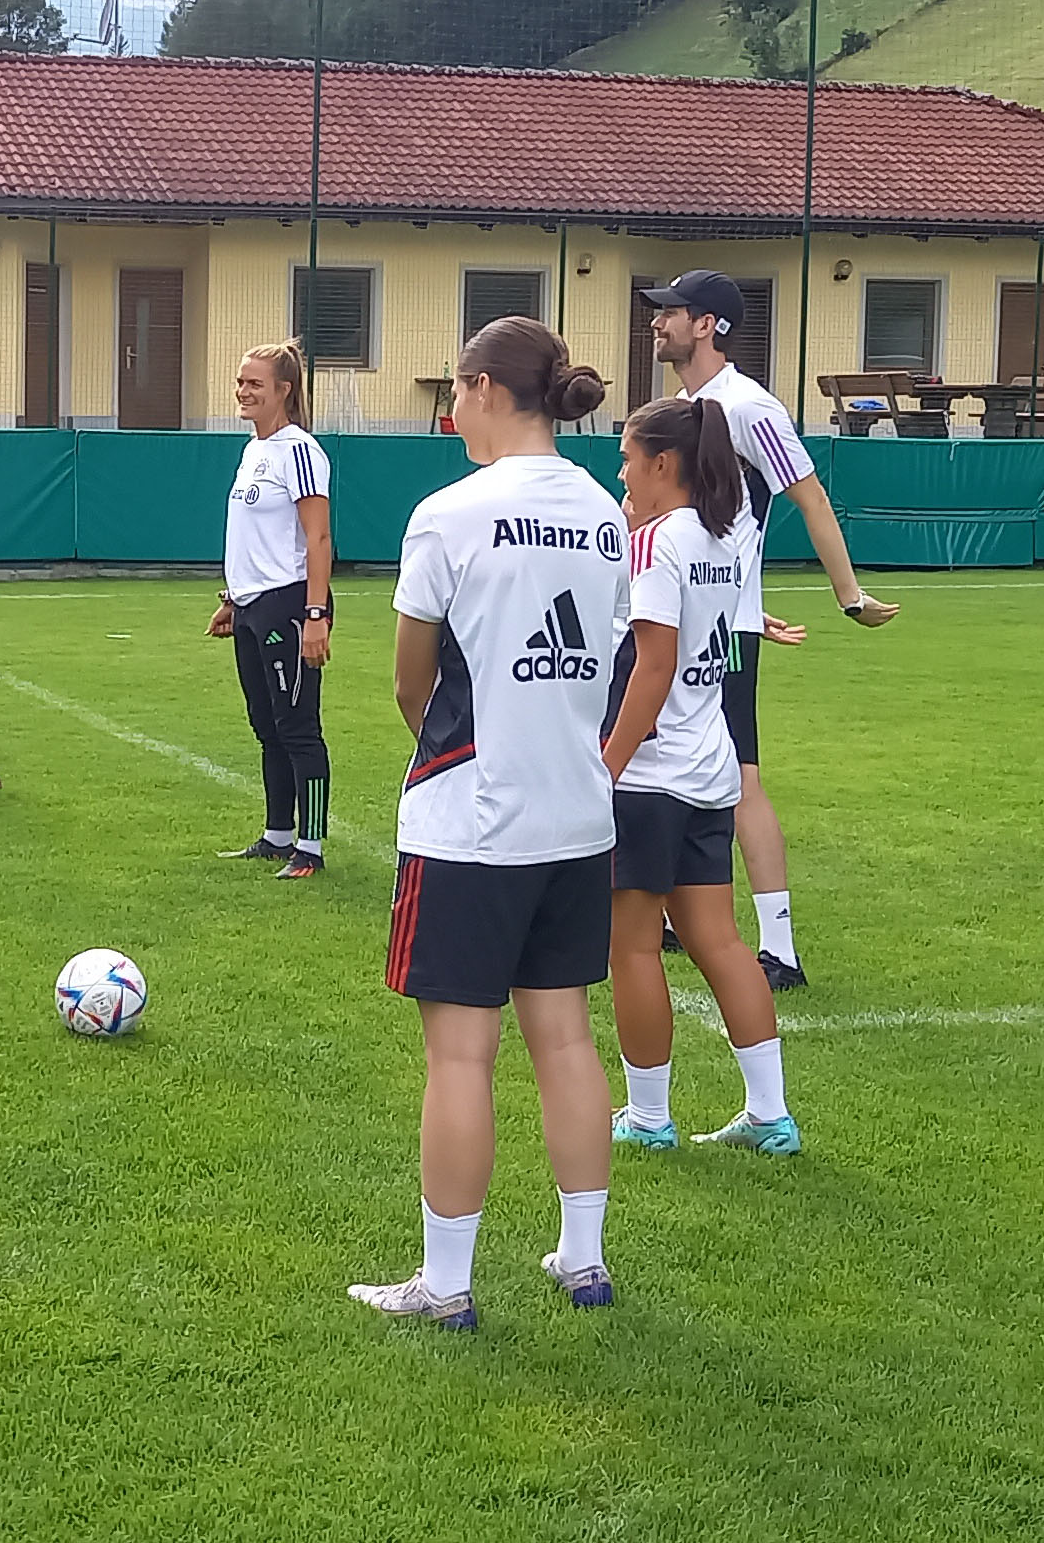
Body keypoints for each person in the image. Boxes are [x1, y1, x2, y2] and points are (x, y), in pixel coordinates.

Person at [352, 317, 627, 1329]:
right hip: (574, 815)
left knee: (460, 1056)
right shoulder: (603, 511)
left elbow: (407, 676)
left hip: (470, 819)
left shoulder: (449, 512)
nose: (449, 411)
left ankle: (446, 1283)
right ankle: (582, 1259)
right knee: (564, 1039)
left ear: (479, 389)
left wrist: (443, 746)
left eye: (454, 393)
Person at [639, 270, 898, 989]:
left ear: (710, 325)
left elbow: (808, 497)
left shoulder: (750, 408)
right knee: (666, 760)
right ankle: (664, 915)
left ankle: (779, 947)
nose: (658, 324)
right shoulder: (683, 407)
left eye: (672, 313)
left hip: (715, 628)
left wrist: (849, 597)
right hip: (680, 615)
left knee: (738, 775)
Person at [600, 397, 808, 1156]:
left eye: (627, 458)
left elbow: (651, 666)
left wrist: (607, 767)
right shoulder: (726, 533)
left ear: (663, 464)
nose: (620, 472)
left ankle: (649, 1118)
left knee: (632, 947)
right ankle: (769, 1114)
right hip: (710, 768)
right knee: (720, 941)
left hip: (653, 775)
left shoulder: (659, 542)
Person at [209, 341, 334, 878]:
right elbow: (253, 538)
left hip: (290, 604)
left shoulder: (298, 450)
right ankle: (277, 836)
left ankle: (312, 848)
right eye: (240, 381)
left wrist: (314, 615)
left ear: (284, 390)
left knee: (297, 727)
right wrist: (233, 601)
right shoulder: (252, 451)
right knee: (266, 725)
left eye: (255, 383)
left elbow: (319, 537)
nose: (244, 391)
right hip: (253, 608)